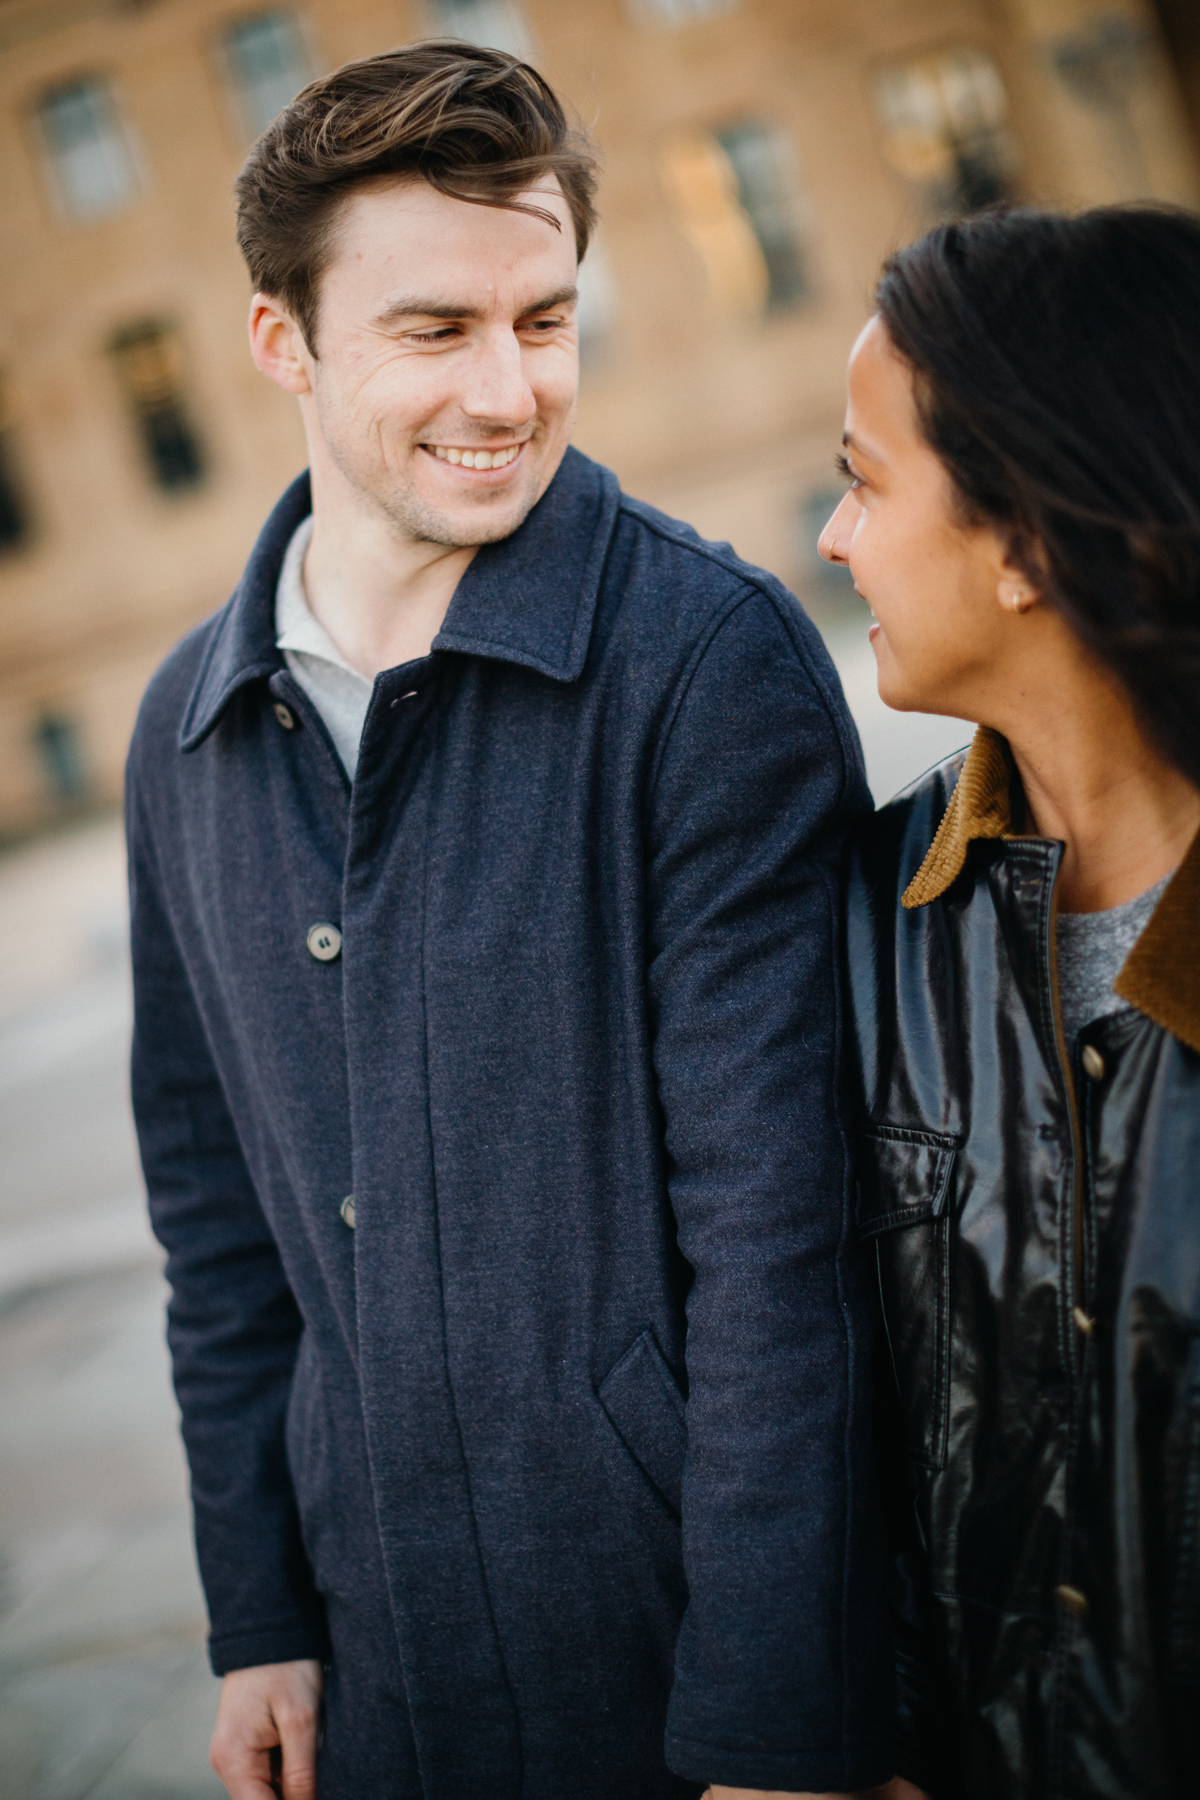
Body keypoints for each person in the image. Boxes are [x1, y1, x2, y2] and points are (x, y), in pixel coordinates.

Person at [127, 40, 896, 1800]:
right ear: (283, 342)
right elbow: (217, 1233)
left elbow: (790, 1251)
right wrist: (258, 1613)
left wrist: (780, 1728)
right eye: (433, 331)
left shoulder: (707, 666)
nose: (510, 389)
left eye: (543, 319)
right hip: (375, 1683)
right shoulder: (188, 729)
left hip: (669, 1675)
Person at [821, 204, 1200, 1800]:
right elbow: (833, 1407)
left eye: (860, 477)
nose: (834, 539)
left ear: (1027, 543)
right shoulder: (865, 921)